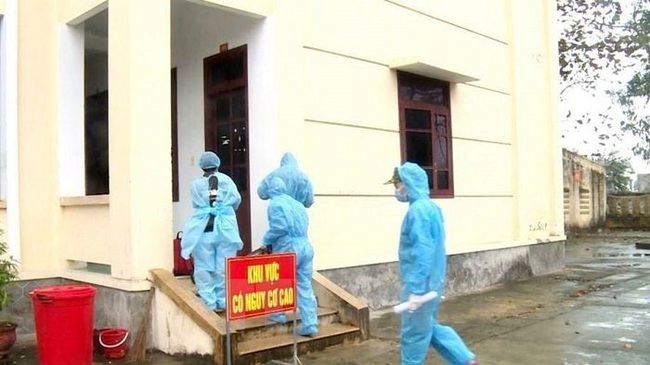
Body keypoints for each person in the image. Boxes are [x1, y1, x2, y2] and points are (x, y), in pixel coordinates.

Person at [386, 162, 477, 365]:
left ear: (408, 184)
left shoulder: (418, 211)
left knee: (414, 336)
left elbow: (422, 251)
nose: (397, 190)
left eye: (398, 184)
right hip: (432, 281)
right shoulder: (431, 208)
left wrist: (416, 289)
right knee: (428, 326)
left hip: (420, 283)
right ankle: (465, 359)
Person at [181, 151, 243, 312]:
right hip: (225, 229)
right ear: (217, 164)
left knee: (203, 266)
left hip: (203, 228)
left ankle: (209, 302)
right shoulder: (227, 181)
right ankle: (223, 301)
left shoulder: (195, 184)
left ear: (202, 166)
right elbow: (236, 200)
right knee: (224, 266)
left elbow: (196, 203)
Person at [257, 176, 318, 336]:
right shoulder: (297, 204)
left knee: (277, 282)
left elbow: (280, 227)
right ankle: (310, 323)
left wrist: (266, 240)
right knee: (304, 285)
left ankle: (277, 314)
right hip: (305, 246)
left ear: (271, 190)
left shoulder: (275, 204)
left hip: (288, 247)